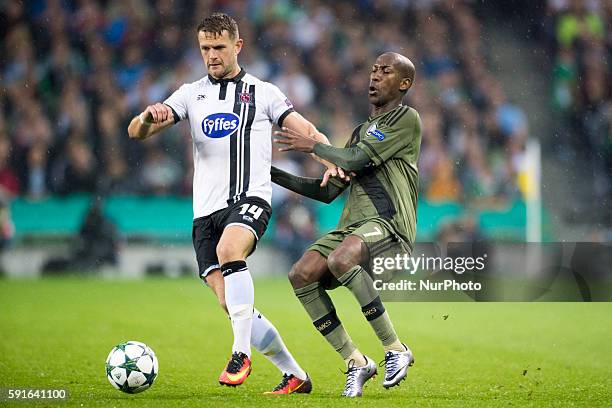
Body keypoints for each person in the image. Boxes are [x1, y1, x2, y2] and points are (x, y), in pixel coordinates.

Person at [127, 13, 335, 394]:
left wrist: (330, 159)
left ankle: (240, 353)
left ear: (237, 46)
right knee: (231, 304)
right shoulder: (190, 93)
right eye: (205, 48)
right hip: (204, 213)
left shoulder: (264, 92)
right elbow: (137, 132)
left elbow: (306, 131)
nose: (211, 55)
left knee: (229, 250)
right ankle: (295, 375)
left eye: (219, 47)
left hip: (248, 199)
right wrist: (145, 116)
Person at [271, 52, 420, 397]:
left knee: (341, 260)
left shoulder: (406, 119)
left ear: (404, 83)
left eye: (385, 71)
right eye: (373, 70)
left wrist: (315, 146)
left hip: (389, 222)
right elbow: (326, 192)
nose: (375, 76)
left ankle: (395, 349)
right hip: (351, 227)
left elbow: (356, 159)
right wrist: (270, 175)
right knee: (301, 274)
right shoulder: (360, 132)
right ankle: (356, 361)